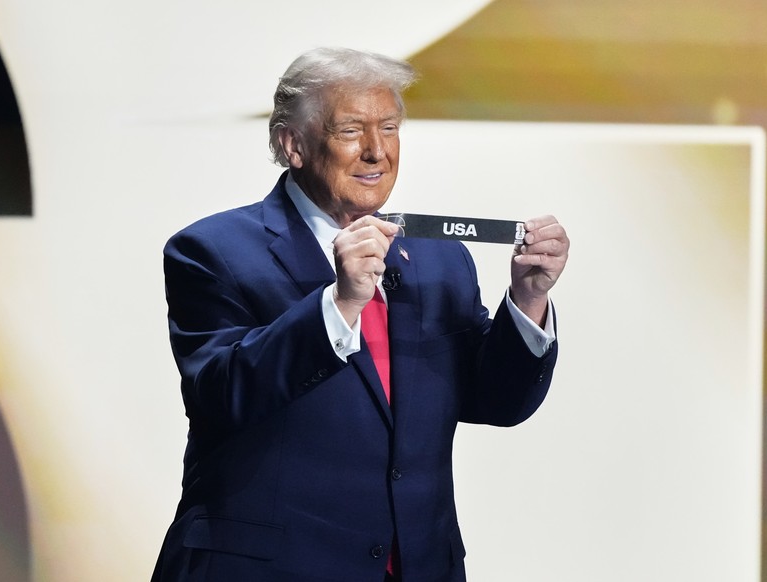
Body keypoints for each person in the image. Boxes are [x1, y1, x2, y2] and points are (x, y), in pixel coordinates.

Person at [152, 47, 569, 582]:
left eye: (390, 129)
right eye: (351, 131)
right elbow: (221, 394)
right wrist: (341, 301)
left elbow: (497, 401)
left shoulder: (440, 260)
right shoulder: (213, 250)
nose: (377, 152)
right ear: (292, 144)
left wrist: (529, 300)